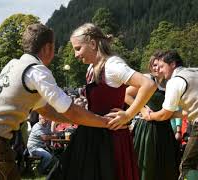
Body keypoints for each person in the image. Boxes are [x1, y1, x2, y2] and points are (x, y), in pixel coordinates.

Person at [0, 23, 115, 180]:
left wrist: (84, 121)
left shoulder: (13, 64)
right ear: (48, 48)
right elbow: (70, 109)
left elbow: (46, 110)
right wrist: (105, 121)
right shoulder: (37, 71)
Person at [48, 23, 156, 180]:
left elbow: (148, 84)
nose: (76, 54)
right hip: (92, 134)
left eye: (78, 48)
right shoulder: (91, 68)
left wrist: (128, 114)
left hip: (111, 137)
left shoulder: (112, 65)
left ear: (92, 43)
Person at [140, 50, 198, 180]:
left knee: (187, 165)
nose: (159, 70)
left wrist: (150, 116)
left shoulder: (175, 82)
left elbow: (164, 115)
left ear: (172, 64)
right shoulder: (194, 71)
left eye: (161, 66)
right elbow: (185, 112)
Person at [125, 52, 179, 180]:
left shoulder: (170, 82)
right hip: (147, 128)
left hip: (164, 127)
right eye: (154, 65)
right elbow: (125, 95)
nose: (157, 68)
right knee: (147, 163)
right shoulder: (147, 79)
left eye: (160, 65)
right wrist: (142, 109)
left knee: (165, 165)